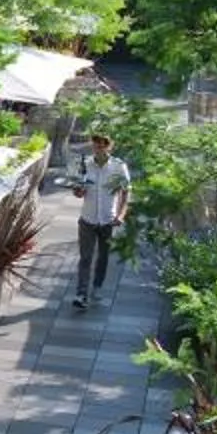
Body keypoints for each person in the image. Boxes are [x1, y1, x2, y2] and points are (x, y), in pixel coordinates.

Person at [70, 131, 130, 311]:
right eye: (96, 145)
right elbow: (78, 190)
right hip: (87, 219)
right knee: (85, 258)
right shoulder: (85, 164)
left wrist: (121, 215)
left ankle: (97, 285)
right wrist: (78, 191)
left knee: (103, 257)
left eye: (102, 146)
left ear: (109, 147)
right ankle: (81, 294)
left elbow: (126, 192)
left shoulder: (118, 167)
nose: (98, 149)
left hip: (107, 221)